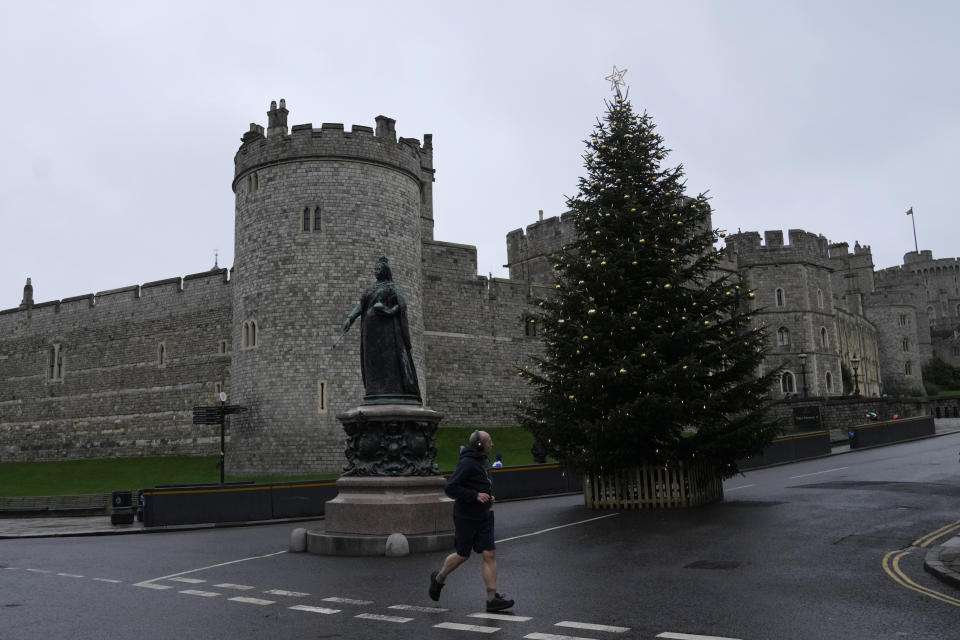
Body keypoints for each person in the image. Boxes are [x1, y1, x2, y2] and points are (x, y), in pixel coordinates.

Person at [429, 430, 514, 612]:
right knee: (462, 555)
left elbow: (481, 483)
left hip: (484, 516)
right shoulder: (467, 462)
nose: (492, 444)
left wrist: (487, 496)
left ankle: (492, 599)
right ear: (479, 445)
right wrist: (474, 495)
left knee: (489, 554)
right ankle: (439, 578)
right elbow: (451, 488)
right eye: (490, 441)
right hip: (466, 517)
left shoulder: (483, 460)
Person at [341, 257, 421, 404]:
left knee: (389, 359)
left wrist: (389, 311)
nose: (376, 271)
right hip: (370, 331)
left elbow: (401, 305)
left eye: (379, 269)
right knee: (372, 360)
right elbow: (361, 306)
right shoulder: (370, 289)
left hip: (388, 331)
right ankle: (375, 390)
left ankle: (393, 390)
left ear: (385, 271)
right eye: (375, 269)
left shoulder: (392, 287)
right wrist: (350, 318)